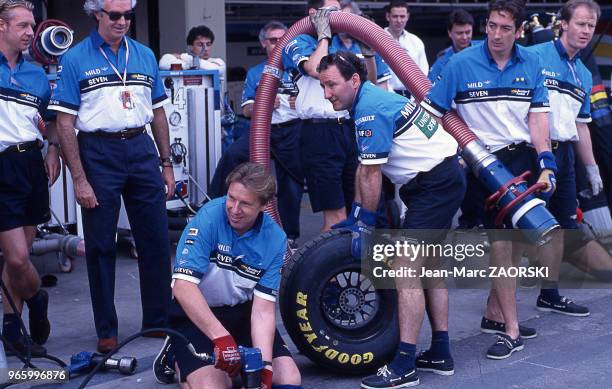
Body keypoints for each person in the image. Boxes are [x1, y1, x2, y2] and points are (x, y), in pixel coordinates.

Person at [317, 51, 464, 387]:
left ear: (354, 80)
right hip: (438, 179)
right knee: (430, 269)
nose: (327, 94)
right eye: (322, 86)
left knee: (404, 269)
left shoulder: (369, 109)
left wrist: (366, 223)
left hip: (435, 184)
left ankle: (404, 364)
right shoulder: (369, 99)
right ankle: (440, 352)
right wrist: (357, 214)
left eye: (331, 85)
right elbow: (365, 166)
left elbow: (372, 175)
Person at [421, 0, 555, 359]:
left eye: (505, 28)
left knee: (525, 244)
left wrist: (546, 163)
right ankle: (511, 330)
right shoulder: (459, 64)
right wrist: (453, 156)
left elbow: (538, 120)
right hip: (483, 164)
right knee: (502, 248)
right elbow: (433, 114)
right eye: (492, 26)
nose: (496, 34)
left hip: (522, 160)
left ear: (519, 30)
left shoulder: (532, 63)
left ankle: (495, 315)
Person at [49, 0, 174, 353]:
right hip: (98, 152)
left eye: (128, 15)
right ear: (97, 15)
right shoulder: (75, 59)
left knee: (155, 240)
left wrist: (166, 163)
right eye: (115, 15)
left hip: (140, 147)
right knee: (102, 246)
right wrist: (79, 178)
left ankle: (157, 320)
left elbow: (159, 112)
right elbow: (65, 123)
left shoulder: (145, 54)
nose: (123, 21)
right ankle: (107, 329)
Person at [154, 162, 302, 389]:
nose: (234, 209)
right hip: (198, 312)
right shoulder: (209, 218)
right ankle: (176, 353)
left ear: (263, 205)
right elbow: (183, 287)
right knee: (215, 385)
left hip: (242, 313)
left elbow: (262, 312)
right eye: (231, 198)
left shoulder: (275, 239)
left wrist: (263, 367)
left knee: (288, 380)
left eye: (245, 204)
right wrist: (222, 339)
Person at [525, 0, 602, 317]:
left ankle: (550, 293)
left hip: (565, 154)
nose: (586, 31)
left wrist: (593, 169)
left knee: (564, 224)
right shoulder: (534, 55)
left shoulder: (583, 73)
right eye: (581, 23)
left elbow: (581, 127)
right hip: (532, 152)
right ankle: (499, 310)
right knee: (523, 227)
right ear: (564, 24)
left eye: (591, 26)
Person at [208, 21, 303, 246]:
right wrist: (265, 102)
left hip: (293, 130)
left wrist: (303, 101)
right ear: (263, 43)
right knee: (232, 155)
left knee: (291, 182)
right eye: (272, 40)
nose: (278, 44)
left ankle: (289, 236)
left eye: (282, 39)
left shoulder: (301, 69)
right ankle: (214, 212)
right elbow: (246, 110)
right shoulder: (255, 73)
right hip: (263, 129)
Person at [0, 0, 60, 357]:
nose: (30, 32)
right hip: (2, 167)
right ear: (1, 26)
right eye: (22, 25)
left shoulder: (37, 73)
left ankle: (12, 329)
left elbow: (48, 120)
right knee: (19, 258)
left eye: (31, 25)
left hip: (31, 167)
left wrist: (52, 150)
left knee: (13, 259)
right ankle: (37, 299)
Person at [281, 0, 358, 232]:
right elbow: (316, 69)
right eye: (330, 11)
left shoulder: (340, 43)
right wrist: (323, 35)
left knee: (355, 210)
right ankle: (323, 267)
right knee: (335, 216)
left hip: (348, 128)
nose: (336, 16)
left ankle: (353, 265)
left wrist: (369, 51)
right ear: (314, 13)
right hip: (319, 133)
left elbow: (366, 82)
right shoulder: (298, 40)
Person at [384, 0, 428, 97]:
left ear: (407, 17)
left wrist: (415, 98)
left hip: (413, 98)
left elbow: (423, 74)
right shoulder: (377, 38)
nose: (399, 20)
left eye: (402, 16)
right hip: (386, 96)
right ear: (388, 16)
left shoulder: (416, 42)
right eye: (395, 16)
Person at [158, 25, 226, 81]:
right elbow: (163, 63)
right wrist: (192, 65)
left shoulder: (218, 62)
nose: (205, 49)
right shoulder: (187, 61)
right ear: (190, 47)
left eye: (208, 44)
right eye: (200, 45)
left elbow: (215, 70)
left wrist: (183, 56)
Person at [428, 9, 478, 83]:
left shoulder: (485, 49)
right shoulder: (442, 62)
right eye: (459, 33)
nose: (464, 37)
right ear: (450, 33)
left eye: (468, 32)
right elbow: (429, 88)